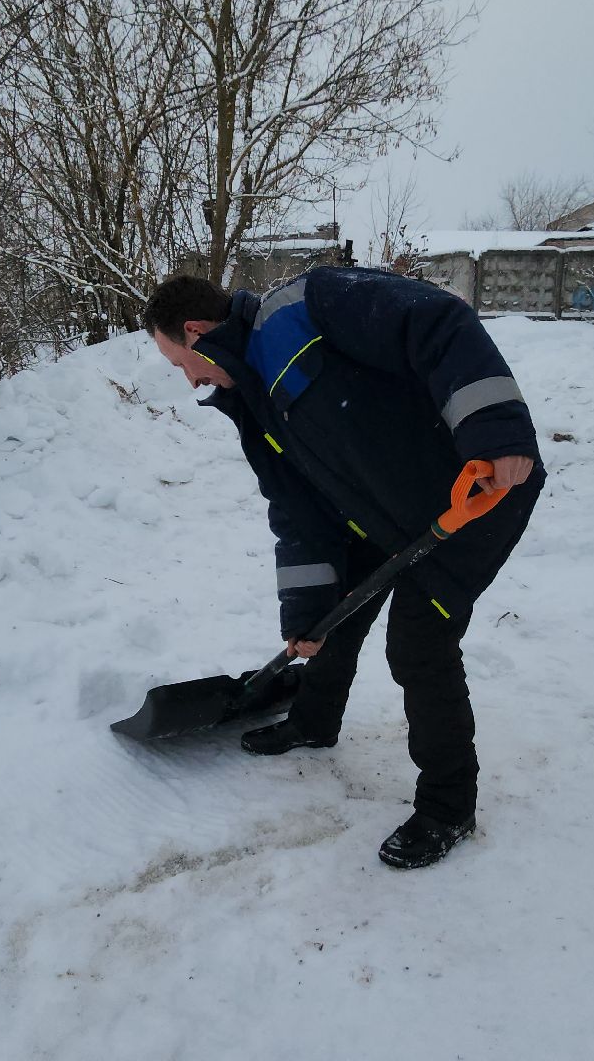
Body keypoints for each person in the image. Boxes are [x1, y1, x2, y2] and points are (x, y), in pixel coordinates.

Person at [141, 268, 543, 870]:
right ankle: (313, 720)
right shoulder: (253, 403)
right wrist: (307, 613)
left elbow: (436, 320)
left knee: (419, 647)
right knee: (336, 614)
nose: (191, 380)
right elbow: (298, 510)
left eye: (181, 364)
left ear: (196, 332)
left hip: (477, 493)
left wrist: (496, 430)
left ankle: (449, 805)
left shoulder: (308, 306)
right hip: (384, 514)